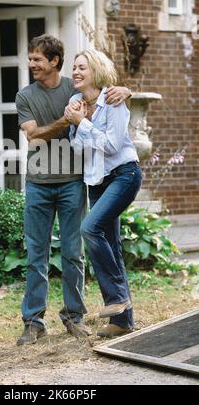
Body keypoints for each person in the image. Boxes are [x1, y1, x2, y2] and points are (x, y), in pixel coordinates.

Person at [15, 35, 131, 346]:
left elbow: (104, 94)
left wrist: (126, 89)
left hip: (71, 183)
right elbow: (34, 137)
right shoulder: (24, 96)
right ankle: (33, 321)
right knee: (35, 255)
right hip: (38, 184)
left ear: (54, 61)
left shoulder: (73, 87)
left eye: (37, 59)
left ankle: (73, 317)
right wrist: (67, 120)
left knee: (73, 254)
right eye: (31, 59)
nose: (32, 65)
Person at [64, 49, 142, 338]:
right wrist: (79, 125)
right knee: (112, 244)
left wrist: (81, 124)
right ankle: (123, 321)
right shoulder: (75, 102)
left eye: (81, 67)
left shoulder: (114, 100)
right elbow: (77, 149)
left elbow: (111, 146)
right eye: (74, 67)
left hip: (124, 175)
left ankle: (117, 298)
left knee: (90, 229)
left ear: (95, 71)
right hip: (96, 180)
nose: (75, 71)